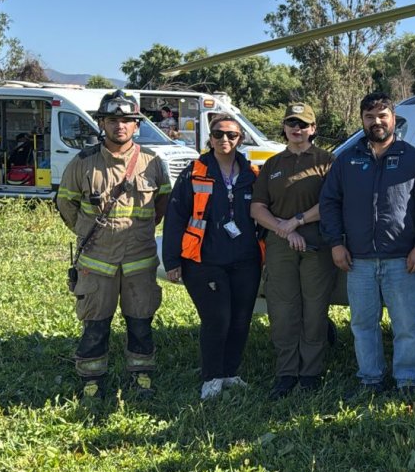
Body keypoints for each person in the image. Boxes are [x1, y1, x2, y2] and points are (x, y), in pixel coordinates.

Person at [321, 92, 415, 397]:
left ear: (393, 119)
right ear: (362, 120)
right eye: (370, 116)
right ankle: (370, 378)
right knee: (362, 324)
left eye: (382, 115)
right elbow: (330, 202)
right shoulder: (347, 161)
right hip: (358, 260)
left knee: (406, 325)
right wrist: (336, 243)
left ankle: (408, 380)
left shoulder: (413, 159)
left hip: (403, 259)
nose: (377, 122)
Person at [54, 89, 171, 399]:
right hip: (96, 260)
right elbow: (66, 204)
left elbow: (163, 201)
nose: (120, 126)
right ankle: (91, 379)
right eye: (113, 120)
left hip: (140, 259)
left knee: (141, 322)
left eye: (127, 121)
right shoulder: (82, 163)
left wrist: (143, 230)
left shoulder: (153, 162)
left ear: (137, 126)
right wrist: (86, 229)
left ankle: (141, 375)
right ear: (102, 124)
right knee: (95, 324)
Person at [163, 114, 262, 400]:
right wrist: (172, 261)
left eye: (231, 135)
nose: (225, 140)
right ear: (211, 138)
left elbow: (266, 209)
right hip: (204, 260)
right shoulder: (194, 172)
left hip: (245, 259)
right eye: (219, 134)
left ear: (240, 139)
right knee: (217, 319)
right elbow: (175, 216)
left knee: (241, 319)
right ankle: (212, 377)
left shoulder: (251, 173)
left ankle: (231, 372)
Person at [250, 103, 337, 400]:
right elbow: (257, 207)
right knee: (283, 309)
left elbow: (330, 203)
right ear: (285, 127)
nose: (296, 129)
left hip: (317, 243)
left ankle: (310, 373)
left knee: (314, 310)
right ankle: (286, 372)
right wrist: (282, 229)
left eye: (303, 124)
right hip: (280, 244)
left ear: (313, 129)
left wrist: (297, 222)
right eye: (291, 123)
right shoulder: (273, 164)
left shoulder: (327, 161)